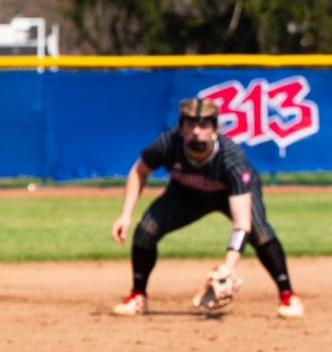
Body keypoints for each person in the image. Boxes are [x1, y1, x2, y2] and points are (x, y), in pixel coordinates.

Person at [111, 96, 304, 319]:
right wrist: (125, 215)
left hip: (229, 195)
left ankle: (288, 295)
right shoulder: (168, 143)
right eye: (190, 123)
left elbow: (242, 224)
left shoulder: (232, 159)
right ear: (181, 127)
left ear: (214, 127)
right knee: (147, 228)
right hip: (187, 193)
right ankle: (137, 296)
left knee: (259, 231)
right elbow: (139, 171)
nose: (196, 131)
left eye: (203, 124)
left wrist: (228, 268)